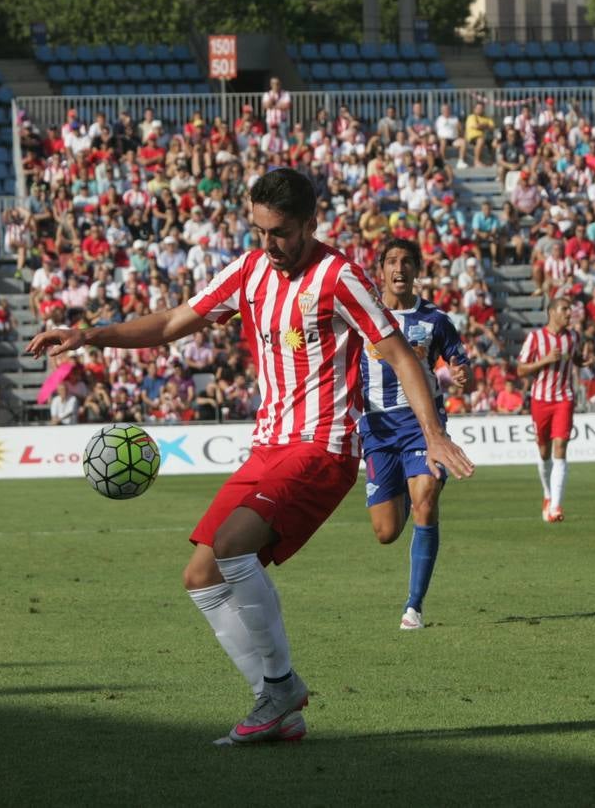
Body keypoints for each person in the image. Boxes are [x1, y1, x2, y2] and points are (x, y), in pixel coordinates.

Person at [26, 168, 474, 746]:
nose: (269, 244)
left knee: (233, 547)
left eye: (281, 232)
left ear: (311, 223)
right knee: (200, 575)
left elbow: (398, 354)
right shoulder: (249, 270)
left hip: (323, 445)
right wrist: (90, 335)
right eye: (260, 230)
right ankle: (276, 703)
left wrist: (432, 432)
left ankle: (283, 688)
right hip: (268, 447)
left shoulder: (340, 277)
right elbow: (169, 324)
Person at [359, 238, 470, 631]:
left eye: (407, 261)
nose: (399, 268)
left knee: (426, 500)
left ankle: (414, 607)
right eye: (391, 261)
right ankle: (404, 487)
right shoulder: (363, 318)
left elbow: (460, 362)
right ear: (381, 270)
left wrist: (461, 373)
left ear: (417, 269)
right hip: (377, 427)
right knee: (386, 532)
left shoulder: (435, 321)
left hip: (422, 426)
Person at [517, 298, 582, 523]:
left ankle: (555, 506)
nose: (569, 313)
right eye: (565, 309)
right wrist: (544, 360)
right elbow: (520, 369)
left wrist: (585, 361)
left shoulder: (573, 337)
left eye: (569, 309)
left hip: (564, 398)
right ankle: (547, 494)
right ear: (552, 312)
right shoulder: (535, 338)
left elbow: (577, 358)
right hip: (540, 400)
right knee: (543, 452)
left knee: (560, 447)